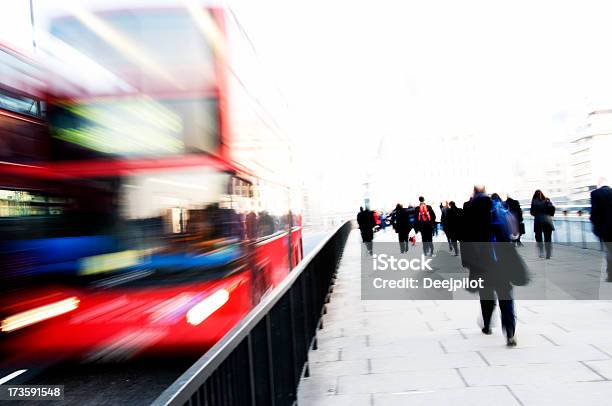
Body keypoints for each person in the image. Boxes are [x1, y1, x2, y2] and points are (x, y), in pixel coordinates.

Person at [463, 185, 517, 347]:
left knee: (486, 294)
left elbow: (465, 239)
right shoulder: (497, 209)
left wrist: (468, 262)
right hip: (500, 259)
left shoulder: (469, 210)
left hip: (481, 261)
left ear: (473, 193)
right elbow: (511, 234)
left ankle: (487, 325)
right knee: (505, 295)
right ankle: (510, 332)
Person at [590, 180, 612, 282]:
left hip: (605, 228)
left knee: (609, 251)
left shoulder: (595, 194)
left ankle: (610, 275)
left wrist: (595, 225)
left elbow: (594, 213)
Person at [530, 190, 555, 259]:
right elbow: (552, 210)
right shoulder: (547, 200)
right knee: (548, 238)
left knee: (538, 237)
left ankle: (541, 252)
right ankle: (548, 254)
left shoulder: (534, 202)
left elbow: (532, 213)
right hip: (547, 221)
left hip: (538, 221)